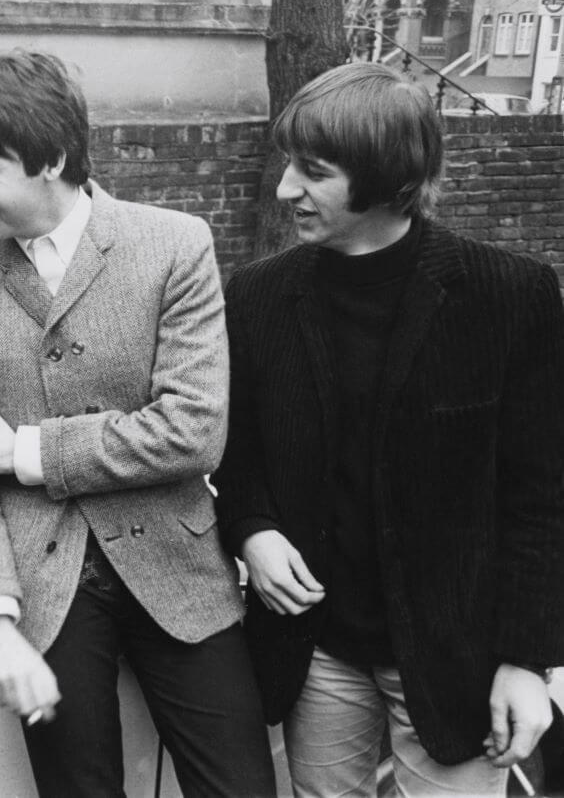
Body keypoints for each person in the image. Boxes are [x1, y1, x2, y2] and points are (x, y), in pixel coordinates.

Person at [0, 49, 275, 797]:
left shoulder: (175, 246)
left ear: (50, 158)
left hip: (179, 576)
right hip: (44, 590)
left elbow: (192, 429)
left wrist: (22, 449)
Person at [212, 61, 564, 796]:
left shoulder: (510, 297)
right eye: (288, 164)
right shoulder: (257, 297)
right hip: (316, 652)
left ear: (384, 175)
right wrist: (251, 527)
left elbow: (542, 498)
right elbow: (236, 456)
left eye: (313, 171)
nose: (284, 188)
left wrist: (529, 660)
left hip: (455, 659)